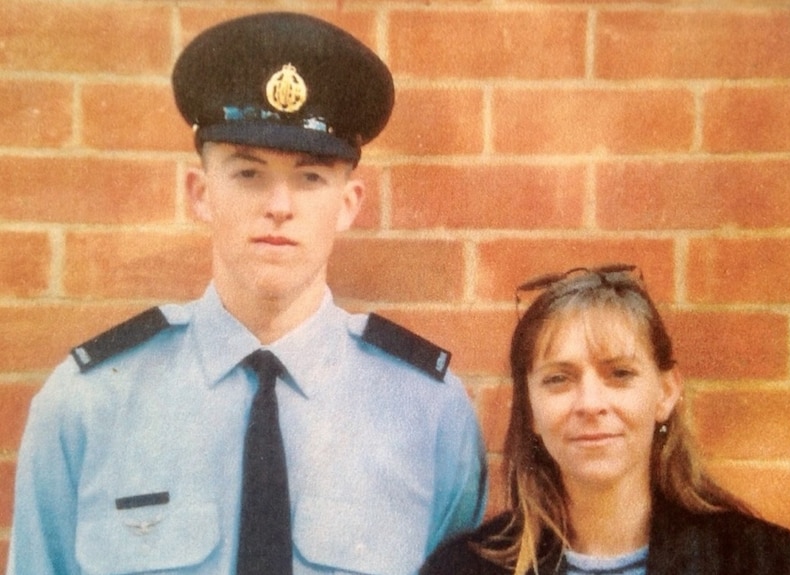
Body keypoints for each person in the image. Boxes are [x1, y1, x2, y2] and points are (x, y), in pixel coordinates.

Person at [8, 12, 486, 575]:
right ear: (200, 192)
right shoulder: (89, 404)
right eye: (247, 173)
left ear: (350, 203)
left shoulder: (429, 413)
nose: (279, 205)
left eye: (311, 177)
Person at [421, 264, 790, 575]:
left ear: (666, 393)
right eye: (559, 379)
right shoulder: (462, 568)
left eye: (620, 374)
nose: (590, 403)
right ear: (530, 410)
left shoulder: (771, 564)